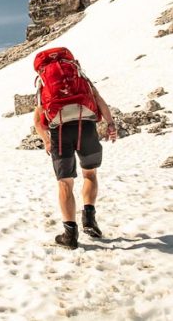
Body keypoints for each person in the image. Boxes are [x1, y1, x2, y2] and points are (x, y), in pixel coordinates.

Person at [33, 60, 117, 250]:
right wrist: (111, 124)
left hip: (60, 131)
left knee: (65, 182)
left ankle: (70, 235)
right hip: (86, 127)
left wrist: (46, 140)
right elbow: (98, 99)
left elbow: (38, 119)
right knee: (90, 174)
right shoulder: (78, 75)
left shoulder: (43, 81)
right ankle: (89, 219)